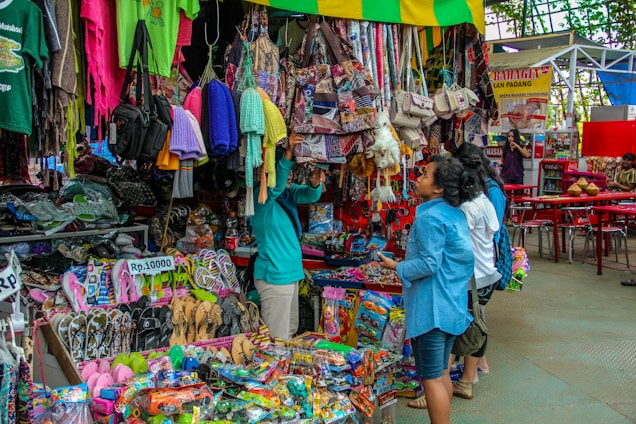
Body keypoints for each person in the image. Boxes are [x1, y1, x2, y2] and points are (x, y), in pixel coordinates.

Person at [376, 156, 474, 424]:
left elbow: (430, 263)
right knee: (441, 372)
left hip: (432, 309)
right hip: (449, 305)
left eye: (425, 174)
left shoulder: (430, 216)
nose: (418, 178)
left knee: (430, 378)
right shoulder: (454, 213)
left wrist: (396, 266)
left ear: (439, 187)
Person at [251, 132, 325, 340]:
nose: (289, 174)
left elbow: (310, 195)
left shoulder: (285, 195)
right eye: (282, 170)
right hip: (276, 276)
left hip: (289, 275)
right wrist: (289, 154)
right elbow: (274, 187)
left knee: (290, 331)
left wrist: (314, 182)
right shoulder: (261, 199)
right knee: (277, 338)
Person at [451, 147, 501, 400]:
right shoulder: (485, 201)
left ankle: (440, 382)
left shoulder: (467, 209)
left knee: (453, 328)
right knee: (477, 326)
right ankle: (468, 379)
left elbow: (457, 245)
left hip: (470, 279)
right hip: (486, 276)